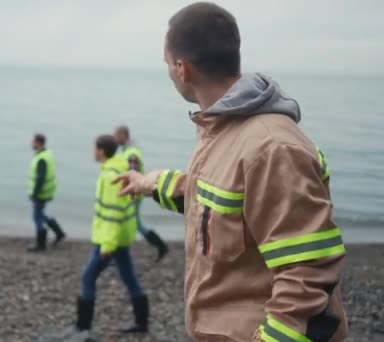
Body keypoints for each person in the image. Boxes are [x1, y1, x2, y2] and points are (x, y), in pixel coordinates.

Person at [113, 3, 347, 341]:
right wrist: (149, 183)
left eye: (166, 64)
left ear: (182, 68)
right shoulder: (224, 128)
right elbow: (216, 199)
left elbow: (309, 274)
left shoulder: (272, 148)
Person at [45, 135, 148, 341]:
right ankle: (141, 323)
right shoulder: (120, 167)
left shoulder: (109, 176)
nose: (93, 152)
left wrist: (107, 244)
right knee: (128, 277)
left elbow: (113, 212)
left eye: (94, 148)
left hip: (110, 239)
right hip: (121, 237)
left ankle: (83, 329)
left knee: (87, 277)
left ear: (101, 151)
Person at [114, 125, 169, 261]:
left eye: (116, 135)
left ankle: (161, 246)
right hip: (134, 193)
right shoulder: (127, 150)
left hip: (133, 193)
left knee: (133, 223)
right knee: (132, 223)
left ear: (123, 135)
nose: (114, 138)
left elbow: (133, 173)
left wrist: (125, 190)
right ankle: (160, 246)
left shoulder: (131, 153)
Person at [27, 133, 66, 252]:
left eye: (32, 141)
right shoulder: (46, 154)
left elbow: (40, 178)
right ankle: (59, 232)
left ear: (38, 143)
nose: (31, 143)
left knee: (36, 217)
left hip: (41, 193)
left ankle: (40, 244)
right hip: (47, 191)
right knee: (41, 215)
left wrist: (34, 194)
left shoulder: (42, 159)